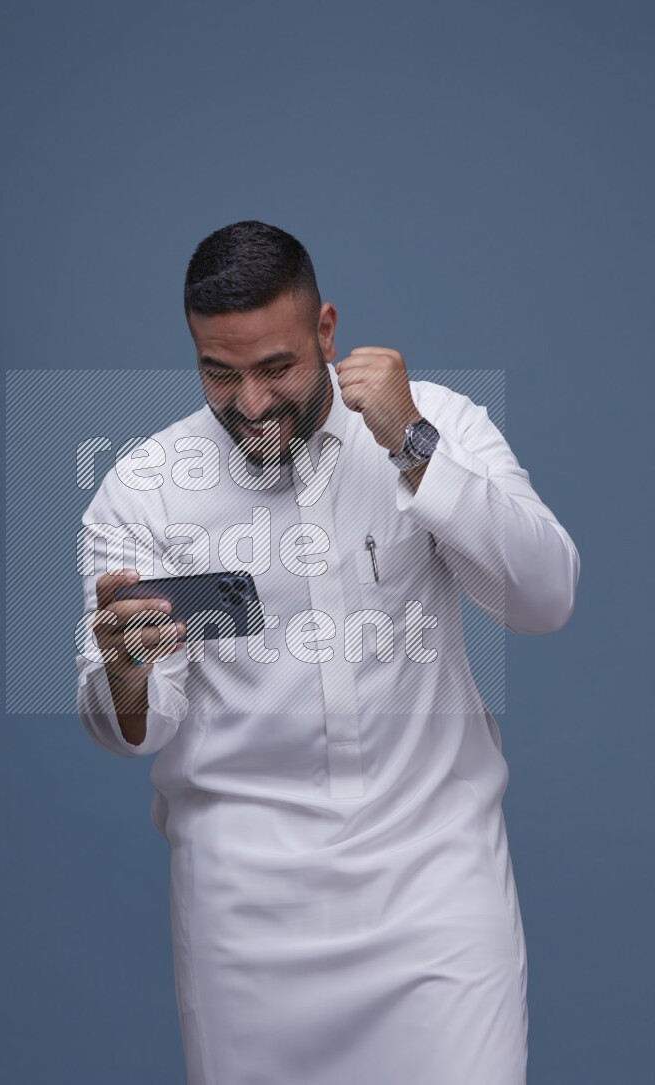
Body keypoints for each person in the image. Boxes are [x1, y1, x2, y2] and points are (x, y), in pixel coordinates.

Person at [75, 220, 580, 1085]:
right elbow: (134, 730)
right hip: (246, 914)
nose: (252, 404)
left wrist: (414, 446)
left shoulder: (440, 420)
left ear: (327, 329)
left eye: (277, 368)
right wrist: (124, 668)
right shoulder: (142, 489)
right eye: (218, 373)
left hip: (438, 887)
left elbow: (544, 599)